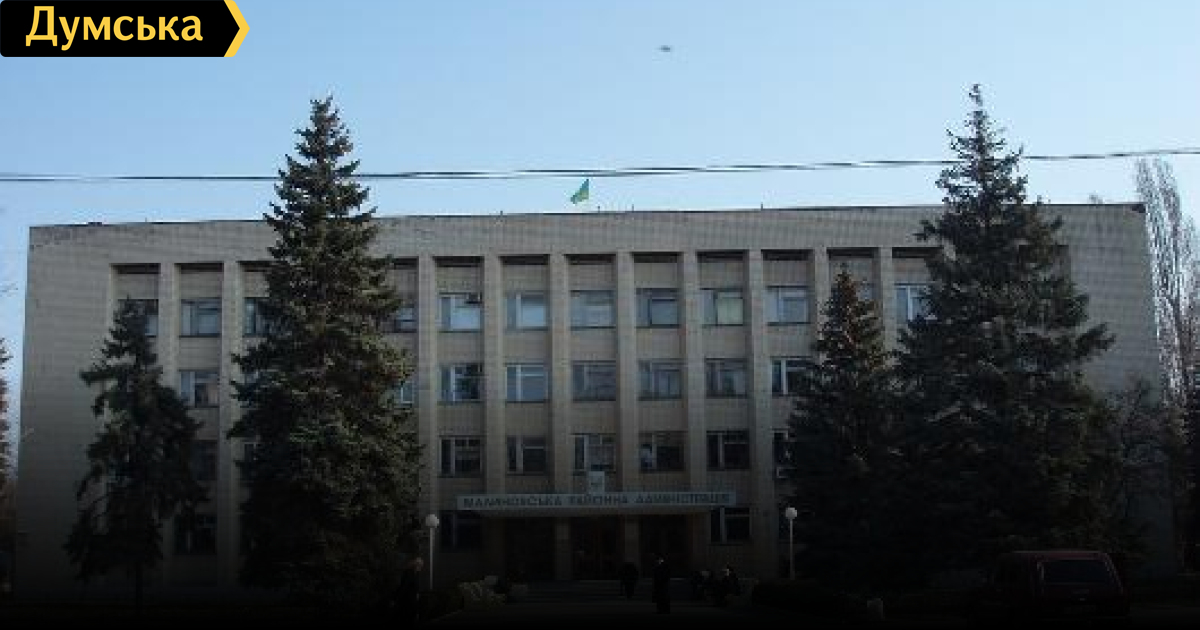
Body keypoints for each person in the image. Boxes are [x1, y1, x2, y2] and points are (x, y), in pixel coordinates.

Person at [394, 556, 424, 625]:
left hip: (412, 601)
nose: (421, 567)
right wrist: (396, 599)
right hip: (408, 601)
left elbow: (415, 587)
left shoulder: (416, 574)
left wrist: (417, 594)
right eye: (420, 565)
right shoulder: (409, 573)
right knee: (408, 619)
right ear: (416, 565)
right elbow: (403, 587)